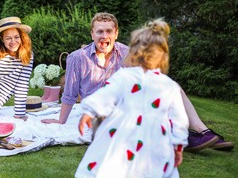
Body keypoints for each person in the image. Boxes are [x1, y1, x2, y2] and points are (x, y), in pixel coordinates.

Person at [42, 12, 234, 152]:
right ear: (92, 33)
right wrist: (61, 120)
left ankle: (203, 132)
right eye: (99, 31)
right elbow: (69, 94)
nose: (104, 36)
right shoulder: (77, 58)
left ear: (116, 33)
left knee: (172, 88)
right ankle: (184, 137)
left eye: (109, 31)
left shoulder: (127, 52)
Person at [75, 18, 189, 178]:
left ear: (134, 52)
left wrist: (89, 111)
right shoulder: (170, 86)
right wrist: (178, 145)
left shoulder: (124, 77)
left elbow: (105, 96)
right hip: (157, 144)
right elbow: (179, 121)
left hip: (124, 143)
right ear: (163, 56)